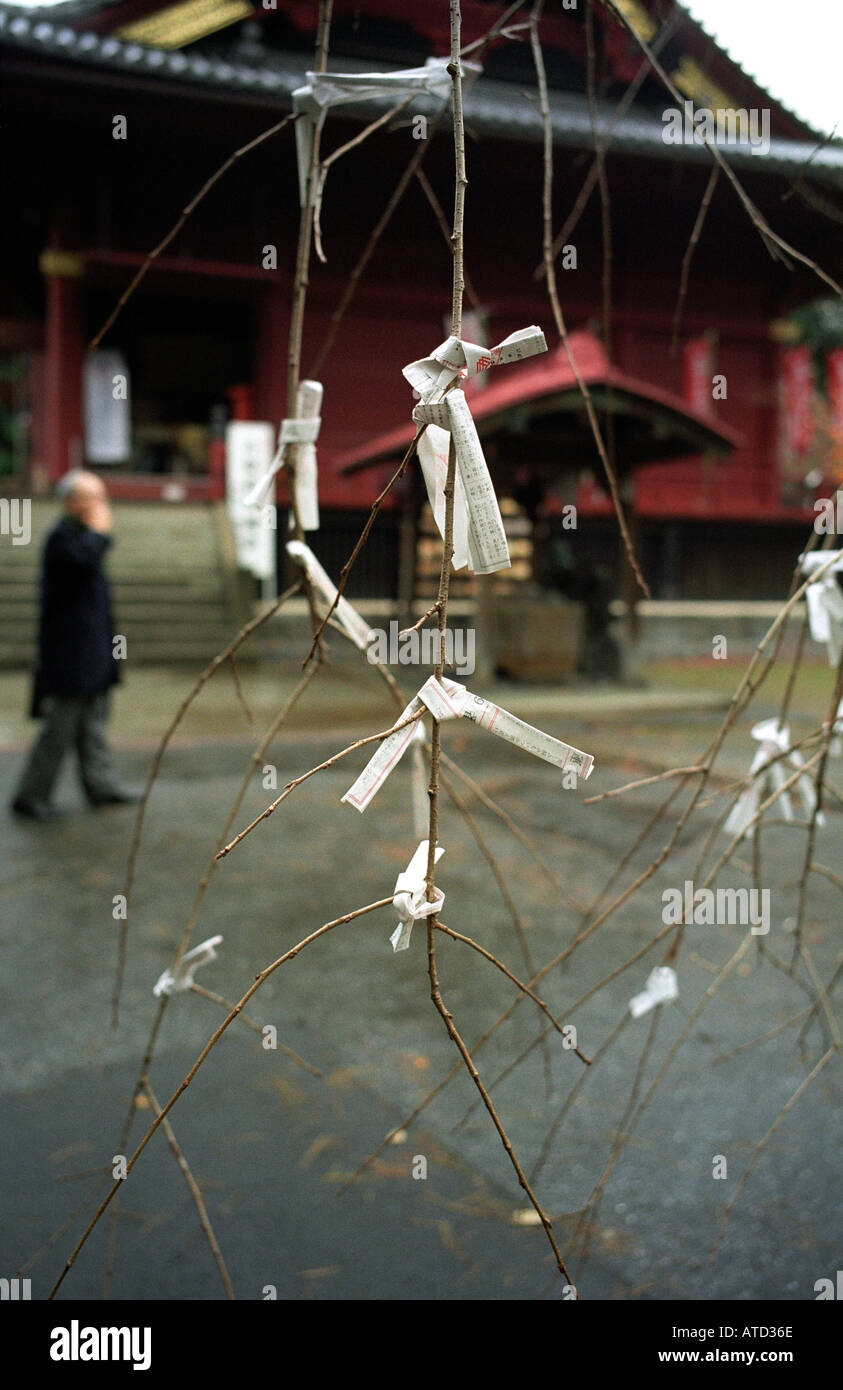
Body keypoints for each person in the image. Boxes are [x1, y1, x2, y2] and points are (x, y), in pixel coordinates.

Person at [10, 468, 139, 821]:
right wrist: (99, 533)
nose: (102, 506)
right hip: (69, 656)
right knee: (59, 729)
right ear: (71, 502)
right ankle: (31, 796)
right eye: (94, 498)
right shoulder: (62, 538)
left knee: (93, 726)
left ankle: (100, 786)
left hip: (94, 651)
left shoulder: (79, 536)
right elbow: (83, 563)